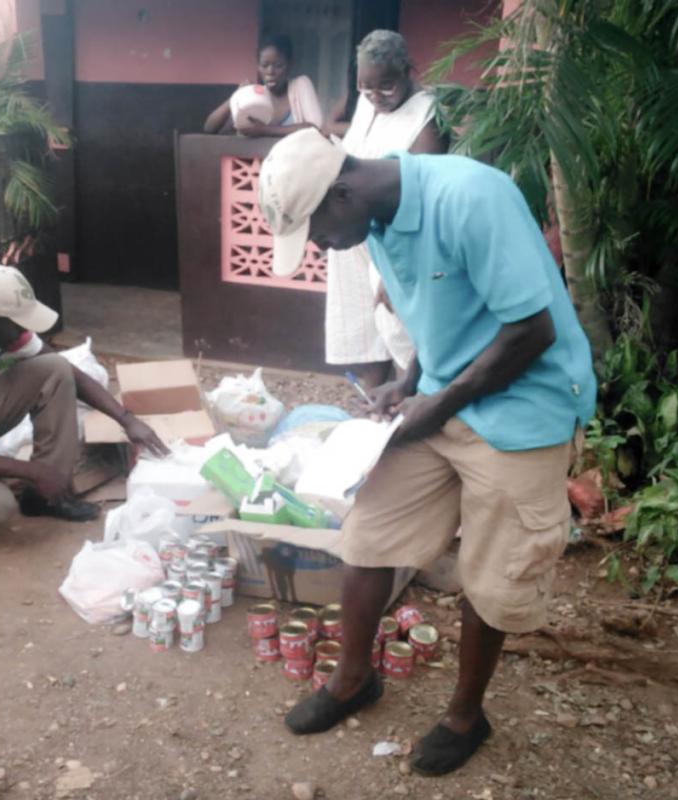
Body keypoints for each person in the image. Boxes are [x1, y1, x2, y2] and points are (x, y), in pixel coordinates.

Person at [257, 129, 595, 775]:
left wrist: (435, 405)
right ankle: (354, 680)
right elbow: (436, 319)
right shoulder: (374, 222)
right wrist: (408, 384)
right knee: (367, 535)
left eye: (318, 234)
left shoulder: (471, 197)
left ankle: (466, 717)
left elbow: (531, 330)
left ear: (343, 192)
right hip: (446, 396)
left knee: (492, 575)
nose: (322, 248)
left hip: (526, 409)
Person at [0, 265, 169, 534]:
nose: (25, 331)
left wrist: (126, 419)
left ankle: (45, 497)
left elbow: (66, 371)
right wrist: (31, 471)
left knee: (55, 369)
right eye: (18, 323)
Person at [325, 30, 446, 388]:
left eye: (387, 86)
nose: (376, 96)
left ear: (409, 71)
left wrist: (400, 271)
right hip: (353, 241)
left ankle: (409, 410)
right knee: (361, 336)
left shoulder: (428, 115)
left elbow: (420, 195)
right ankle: (374, 414)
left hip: (393, 243)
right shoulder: (365, 104)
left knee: (401, 334)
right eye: (366, 86)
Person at [203, 34, 323, 137]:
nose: (270, 72)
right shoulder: (255, 96)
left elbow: (315, 128)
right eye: (265, 65)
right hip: (257, 163)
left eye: (278, 65)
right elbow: (209, 129)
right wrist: (235, 97)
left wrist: (265, 130)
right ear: (258, 67)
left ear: (290, 65)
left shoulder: (300, 85)